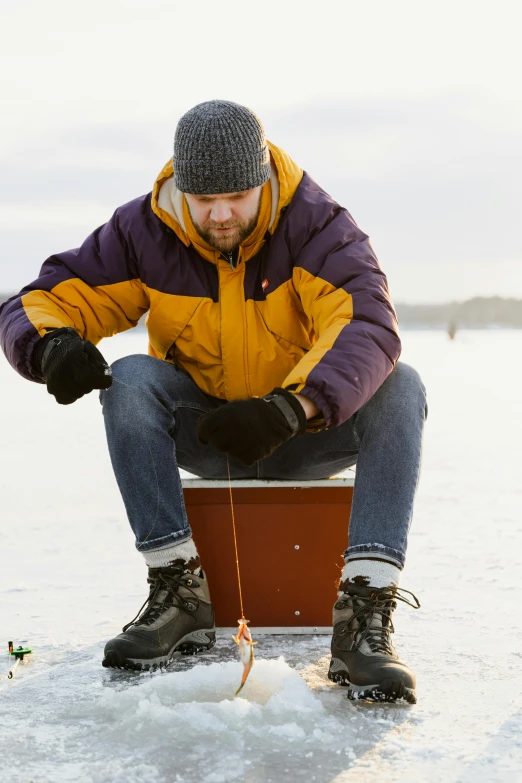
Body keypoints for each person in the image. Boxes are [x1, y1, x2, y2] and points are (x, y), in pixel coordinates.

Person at [0, 100, 428, 704]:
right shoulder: (143, 231)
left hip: (301, 429)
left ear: (264, 182)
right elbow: (40, 299)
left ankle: (364, 613)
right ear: (180, 185)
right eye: (205, 200)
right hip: (208, 432)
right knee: (129, 377)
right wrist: (50, 348)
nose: (222, 214)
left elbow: (368, 325)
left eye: (238, 196)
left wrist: (292, 408)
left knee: (401, 384)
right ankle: (179, 591)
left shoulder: (318, 225)